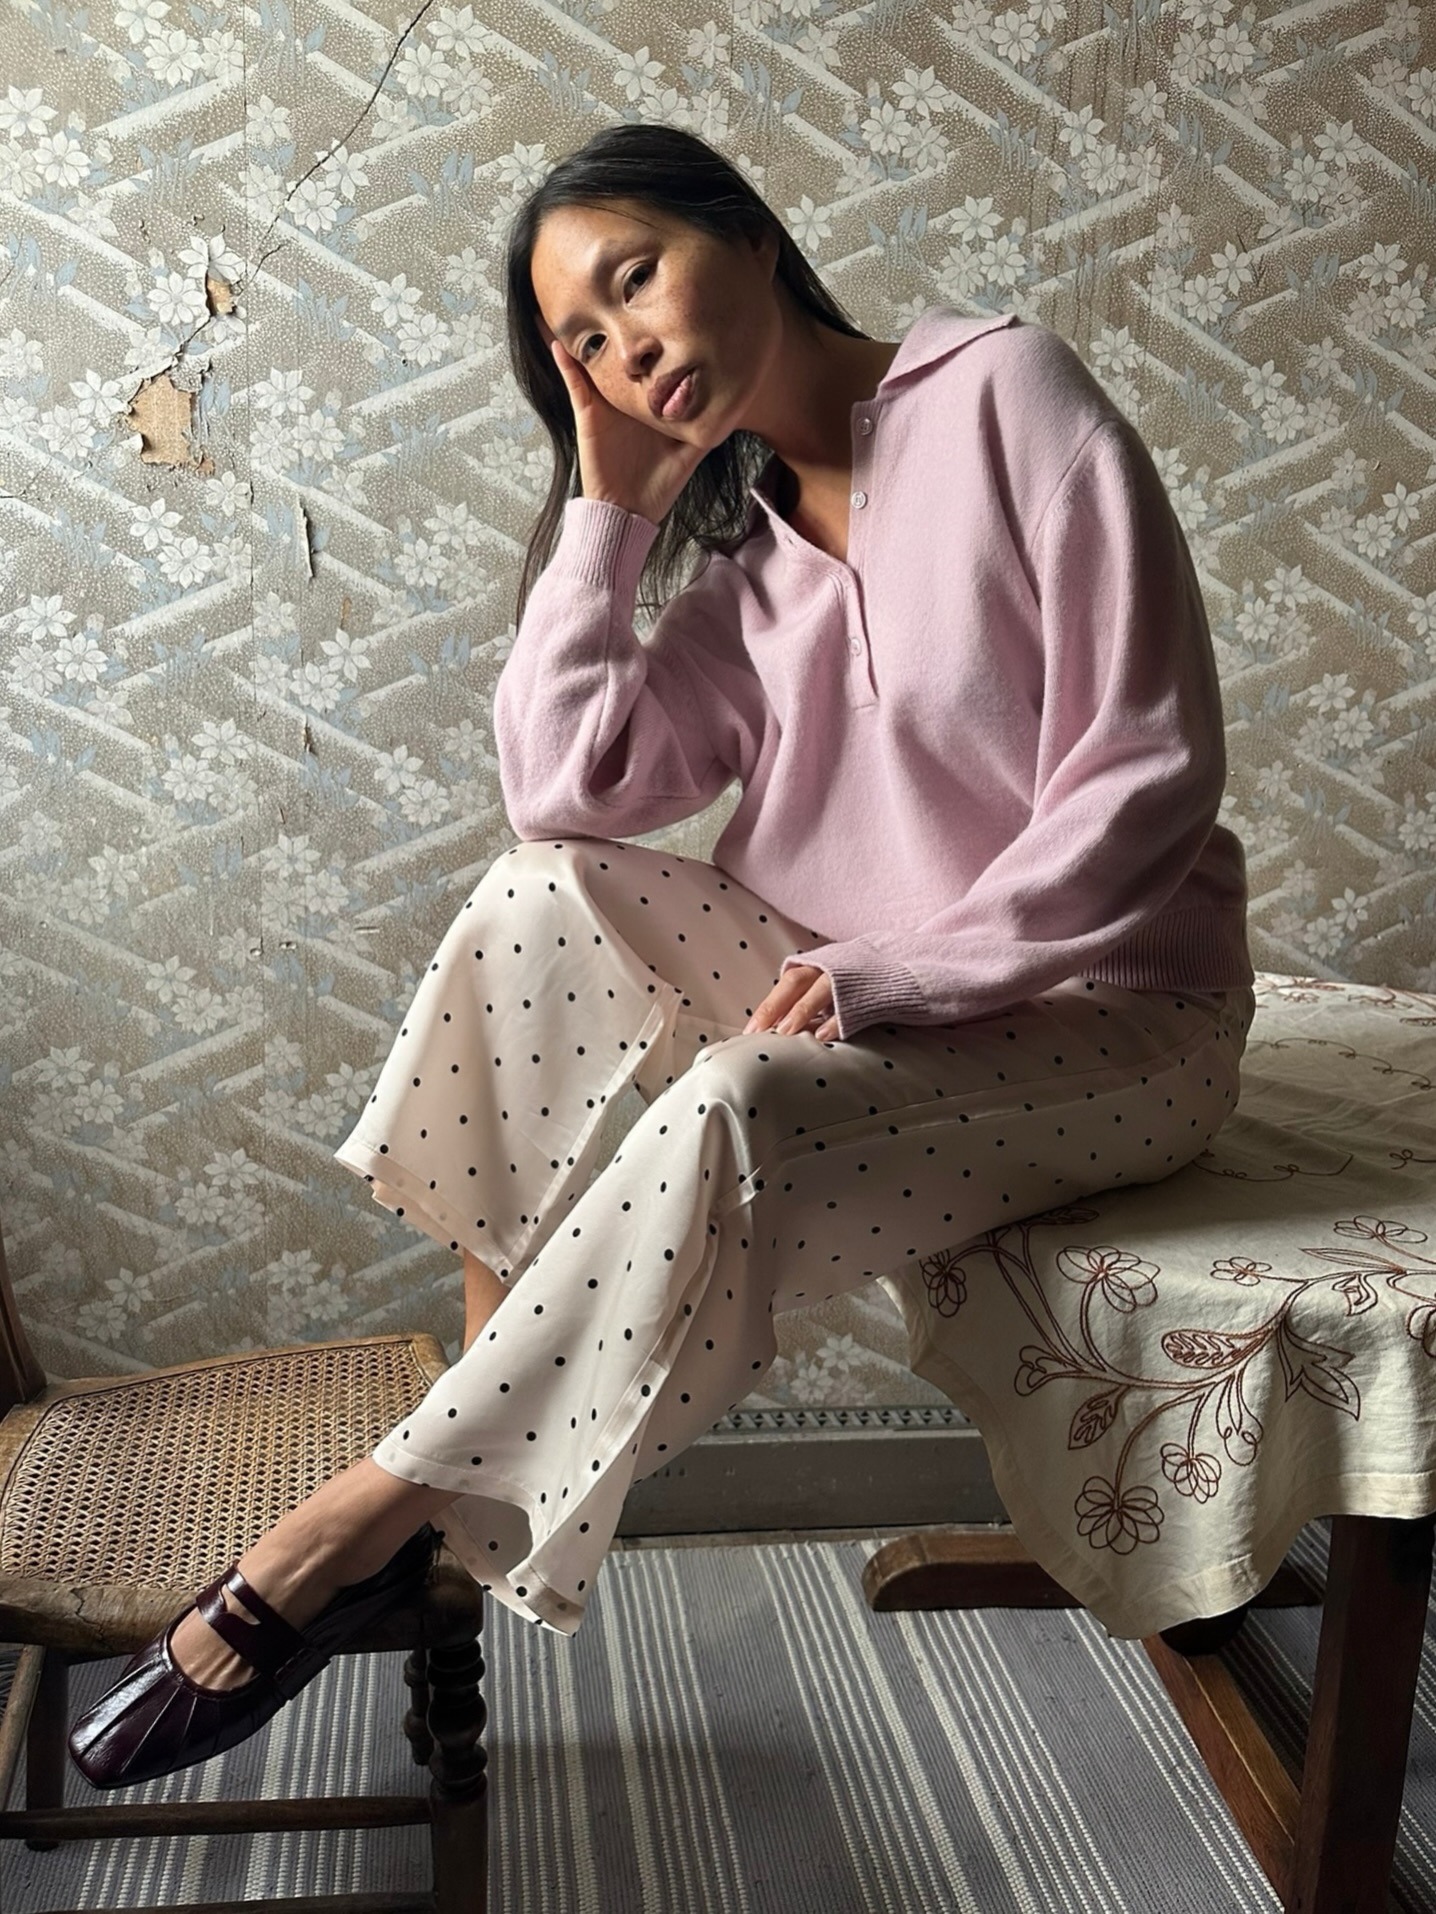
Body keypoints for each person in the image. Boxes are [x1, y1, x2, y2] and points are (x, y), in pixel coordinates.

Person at [69, 123, 1256, 1788]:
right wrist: (609, 516)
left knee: (737, 1094)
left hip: (1120, 1015)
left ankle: (357, 1523)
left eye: (633, 278)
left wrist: (902, 977)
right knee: (539, 888)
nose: (626, 345)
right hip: (879, 1000)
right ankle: (477, 1401)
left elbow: (1148, 774)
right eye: (584, 343)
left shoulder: (1006, 396)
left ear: (749, 232)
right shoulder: (750, 552)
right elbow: (564, 790)